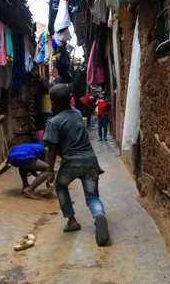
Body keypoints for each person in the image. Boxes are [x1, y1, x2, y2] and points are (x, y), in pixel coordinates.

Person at [44, 84, 110, 246]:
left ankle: (71, 221)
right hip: (90, 160)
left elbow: (52, 149)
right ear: (70, 100)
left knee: (60, 186)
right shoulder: (77, 114)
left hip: (71, 163)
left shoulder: (53, 122)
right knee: (92, 197)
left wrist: (50, 171)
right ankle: (99, 215)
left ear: (53, 103)